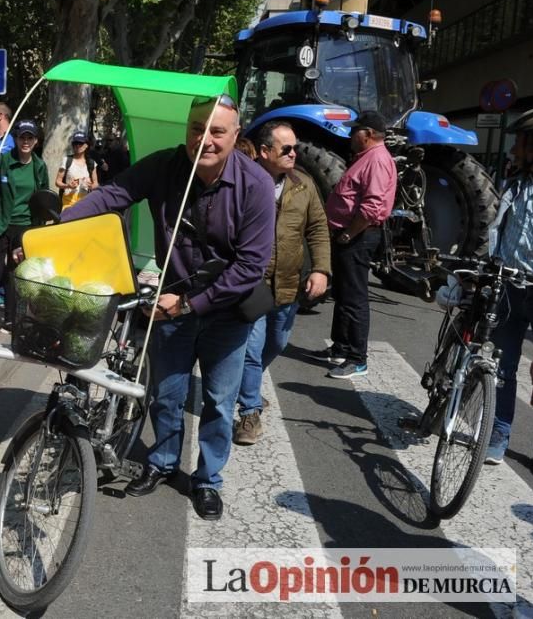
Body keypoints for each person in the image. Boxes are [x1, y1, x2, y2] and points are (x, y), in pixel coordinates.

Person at [62, 95, 275, 520]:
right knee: (166, 394)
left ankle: (207, 480)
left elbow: (251, 266)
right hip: (172, 302)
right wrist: (58, 227)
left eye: (217, 131)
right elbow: (114, 195)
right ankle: (161, 462)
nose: (205, 139)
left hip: (224, 312)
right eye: (197, 128)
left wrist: (189, 305)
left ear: (235, 136)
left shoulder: (256, 185)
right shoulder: (165, 166)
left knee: (218, 400)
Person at [233, 121, 330, 445]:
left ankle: (248, 387)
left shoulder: (304, 185)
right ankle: (249, 413)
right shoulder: (241, 181)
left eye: (295, 148)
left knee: (277, 342)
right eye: (286, 149)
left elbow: (317, 228)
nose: (294, 153)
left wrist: (321, 270)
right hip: (253, 282)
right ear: (264, 152)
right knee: (252, 347)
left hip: (289, 284)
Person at [305, 110, 396, 379]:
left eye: (355, 130)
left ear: (367, 134)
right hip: (350, 234)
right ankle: (341, 348)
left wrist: (349, 234)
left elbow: (372, 207)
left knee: (355, 298)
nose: (350, 134)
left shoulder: (377, 160)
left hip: (358, 235)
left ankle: (357, 358)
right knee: (344, 295)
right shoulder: (366, 158)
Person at [484, 108, 533, 465]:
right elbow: (496, 229)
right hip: (510, 284)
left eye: (521, 141)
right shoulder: (517, 184)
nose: (515, 147)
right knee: (504, 364)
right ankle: (500, 430)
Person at [0, 119, 49, 341]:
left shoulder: (39, 166)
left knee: (16, 275)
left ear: (36, 141)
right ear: (15, 138)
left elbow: (44, 199)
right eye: (22, 137)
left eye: (30, 137)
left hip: (24, 229)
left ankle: (11, 319)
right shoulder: (3, 161)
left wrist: (40, 230)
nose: (26, 141)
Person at [55, 131, 98, 210]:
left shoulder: (91, 163)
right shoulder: (66, 160)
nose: (78, 146)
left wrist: (90, 186)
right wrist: (68, 185)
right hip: (68, 204)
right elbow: (57, 182)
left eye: (80, 143)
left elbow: (96, 184)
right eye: (75, 143)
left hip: (85, 203)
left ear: (86, 145)